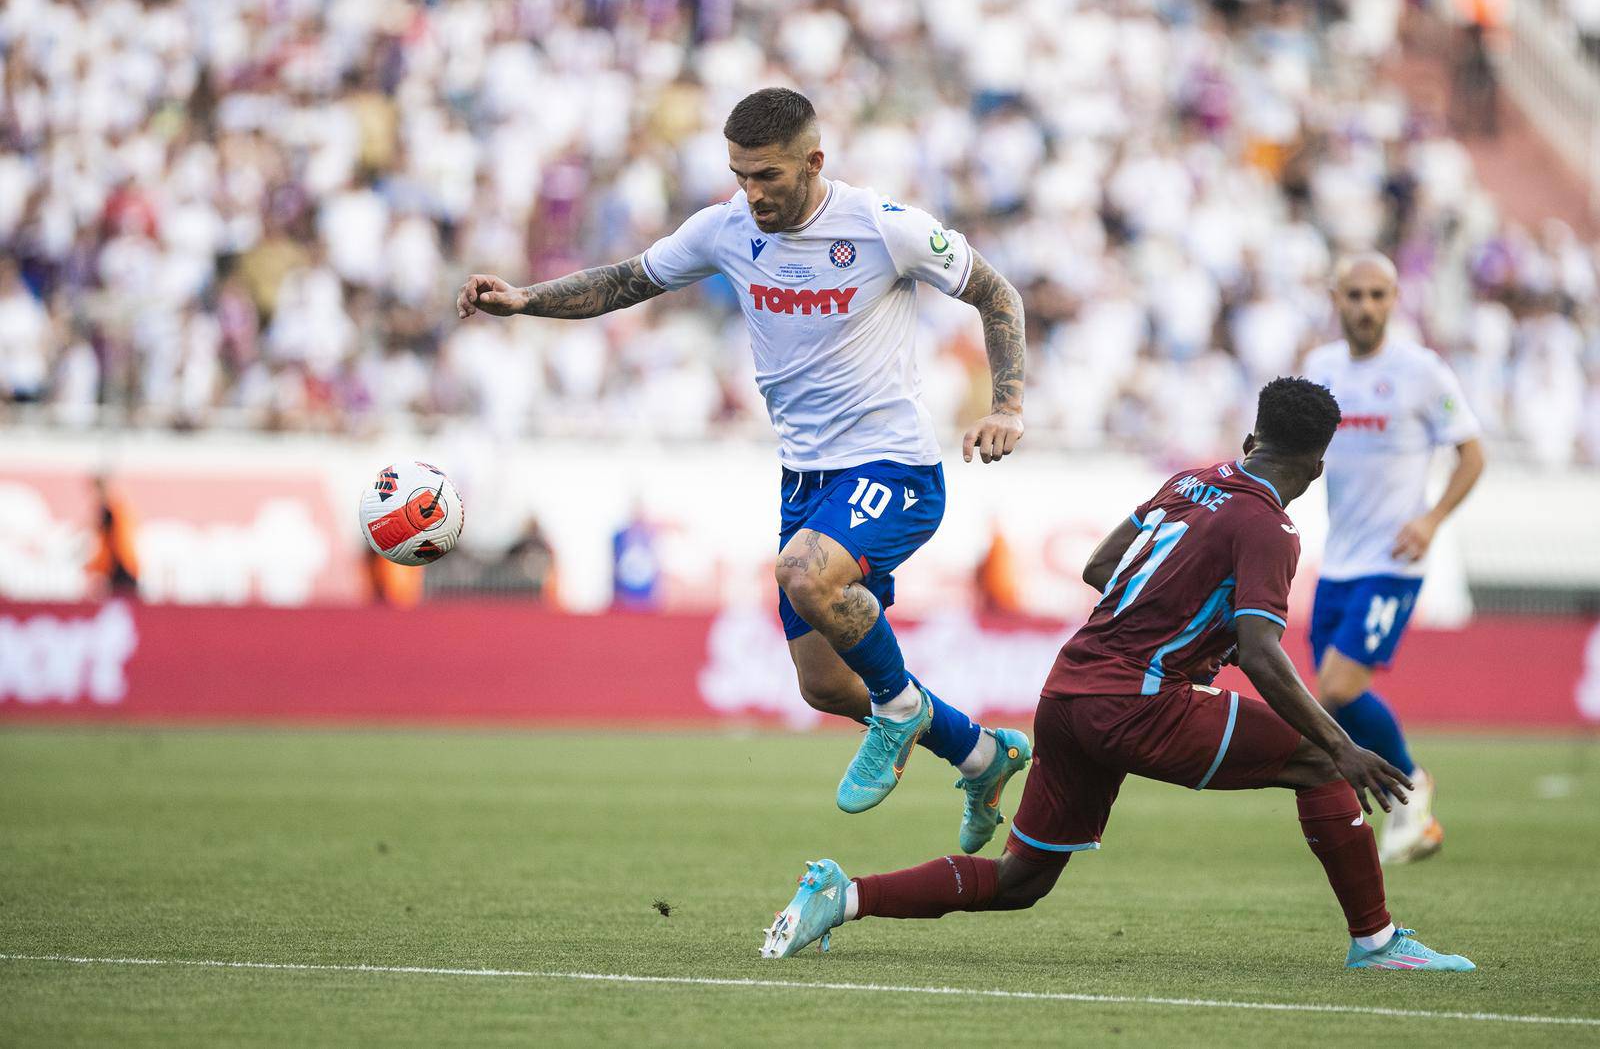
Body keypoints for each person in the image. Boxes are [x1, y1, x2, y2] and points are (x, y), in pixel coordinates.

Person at [455, 88, 1031, 850]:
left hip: (894, 466)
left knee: (802, 573)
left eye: (767, 175)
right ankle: (983, 755)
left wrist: (1008, 406)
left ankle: (898, 711)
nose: (751, 192)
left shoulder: (882, 227)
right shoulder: (725, 229)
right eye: (739, 175)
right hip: (805, 479)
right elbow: (627, 280)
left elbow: (997, 293)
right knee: (824, 684)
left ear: (814, 161)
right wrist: (526, 300)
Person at [760, 377, 1475, 972]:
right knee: (1321, 761)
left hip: (1067, 692)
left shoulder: (1192, 480)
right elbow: (1262, 651)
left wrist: (1191, 634)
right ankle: (1378, 943)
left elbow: (1100, 567)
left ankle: (842, 896)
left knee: (1021, 882)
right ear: (1316, 471)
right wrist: (1341, 741)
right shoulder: (1271, 528)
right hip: (1138, 705)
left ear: (1252, 442)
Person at [1302, 253, 1485, 864]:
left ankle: (1412, 785)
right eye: (1355, 295)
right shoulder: (1320, 367)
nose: (1366, 307)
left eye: (1378, 295)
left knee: (1337, 685)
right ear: (1336, 297)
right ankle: (1404, 807)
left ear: (1395, 298)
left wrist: (1432, 521)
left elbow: (1473, 455)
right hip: (1338, 560)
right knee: (1329, 700)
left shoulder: (1421, 372)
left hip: (1392, 560)